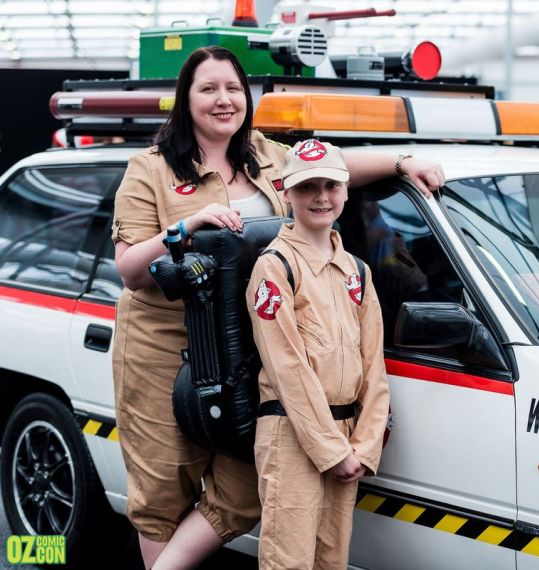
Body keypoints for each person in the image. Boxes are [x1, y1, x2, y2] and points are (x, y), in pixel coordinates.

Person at [111, 46, 443, 569]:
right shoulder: (149, 169)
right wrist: (188, 226)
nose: (224, 100)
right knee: (162, 491)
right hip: (163, 352)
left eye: (232, 89)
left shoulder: (265, 154)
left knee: (246, 482)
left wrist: (403, 161)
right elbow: (129, 271)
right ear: (186, 99)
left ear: (247, 96)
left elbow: (334, 169)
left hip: (247, 347)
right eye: (208, 89)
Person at [246, 139, 389, 569]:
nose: (321, 196)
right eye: (308, 187)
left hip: (347, 439)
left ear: (346, 192)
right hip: (293, 436)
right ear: (286, 193)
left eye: (331, 185)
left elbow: (374, 368)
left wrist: (363, 448)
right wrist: (333, 452)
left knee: (332, 559)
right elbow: (287, 368)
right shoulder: (274, 267)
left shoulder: (357, 271)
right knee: (288, 560)